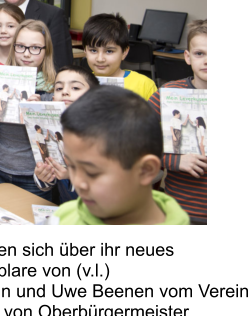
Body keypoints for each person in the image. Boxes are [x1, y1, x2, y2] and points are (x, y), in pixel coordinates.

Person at [52, 88, 190, 225]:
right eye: (71, 166)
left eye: (91, 172)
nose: (78, 183)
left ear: (145, 170)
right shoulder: (63, 217)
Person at [0, 20, 56, 199]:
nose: (27, 54)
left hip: (34, 174)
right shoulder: (2, 82)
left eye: (35, 48)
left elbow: (55, 146)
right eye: (21, 46)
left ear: (46, 51)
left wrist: (39, 116)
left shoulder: (54, 89)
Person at [148, 19, 208, 225]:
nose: (206, 61)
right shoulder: (168, 95)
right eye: (200, 54)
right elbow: (132, 140)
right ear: (188, 57)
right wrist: (175, 161)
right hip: (181, 210)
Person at [33, 65, 100, 204]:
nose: (65, 92)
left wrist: (71, 175)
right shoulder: (53, 131)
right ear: (52, 99)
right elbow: (46, 183)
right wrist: (43, 176)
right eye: (59, 88)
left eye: (75, 88)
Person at [83, 13, 157, 101]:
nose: (100, 59)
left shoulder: (144, 84)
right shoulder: (79, 84)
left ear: (124, 52)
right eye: (93, 50)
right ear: (85, 51)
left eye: (109, 51)